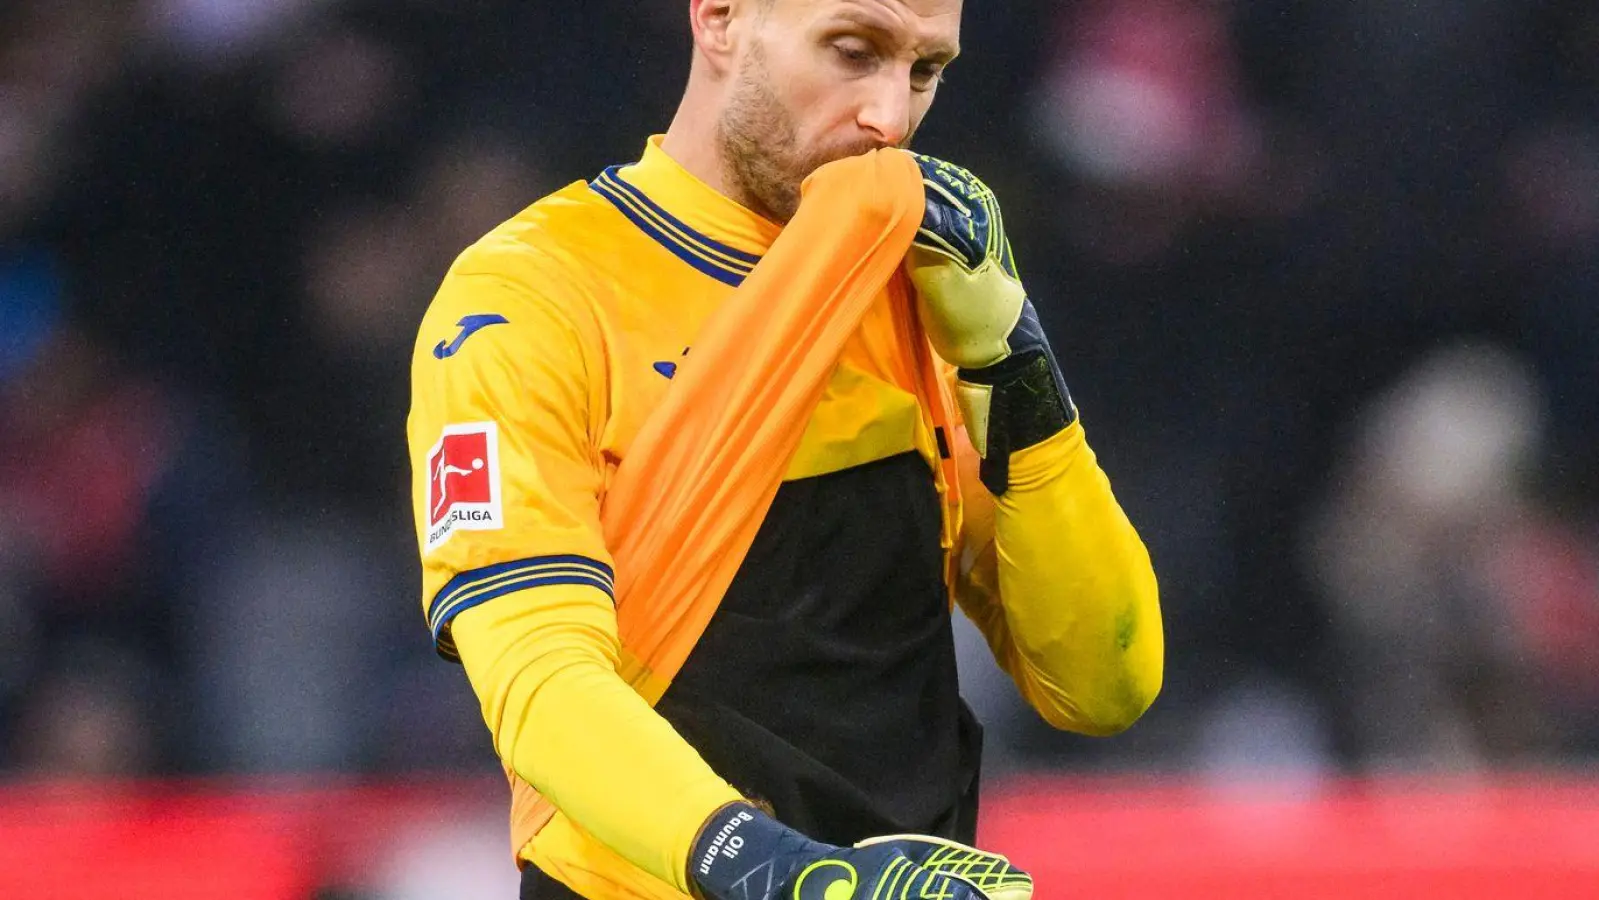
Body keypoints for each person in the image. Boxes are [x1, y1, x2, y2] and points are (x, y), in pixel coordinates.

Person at [406, 1, 1164, 898]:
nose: (890, 118)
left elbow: (1103, 684)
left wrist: (1017, 371)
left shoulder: (918, 288)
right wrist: (784, 876)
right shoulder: (532, 297)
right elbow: (538, 683)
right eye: (853, 50)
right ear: (721, 19)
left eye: (924, 72)